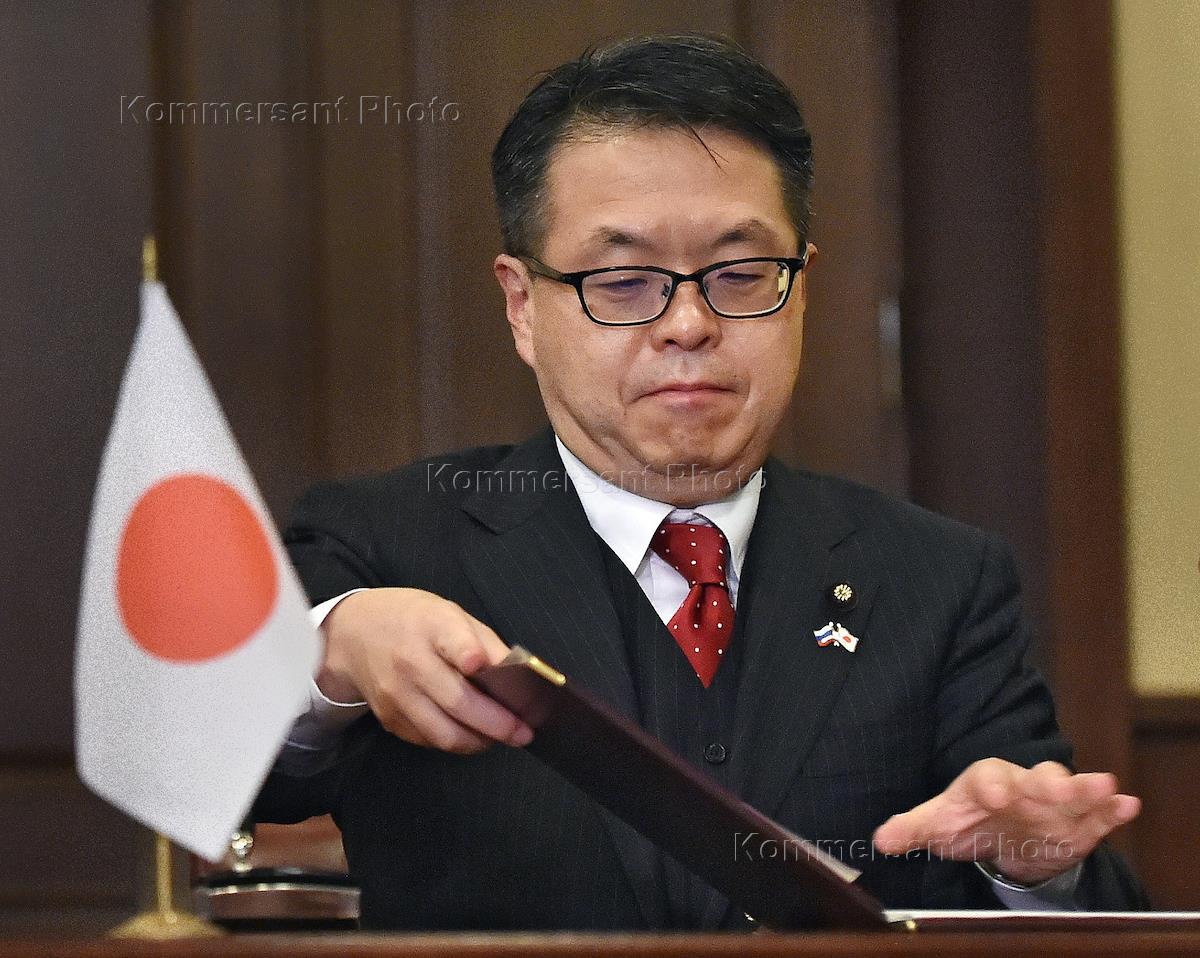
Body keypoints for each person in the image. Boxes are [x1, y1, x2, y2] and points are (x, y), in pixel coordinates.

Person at [253, 33, 1149, 930]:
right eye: (624, 280)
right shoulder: (385, 544)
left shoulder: (941, 581)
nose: (688, 323)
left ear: (802, 289)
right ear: (522, 306)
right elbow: (228, 776)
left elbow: (1087, 913)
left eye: (741, 274)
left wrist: (1033, 867)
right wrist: (334, 655)